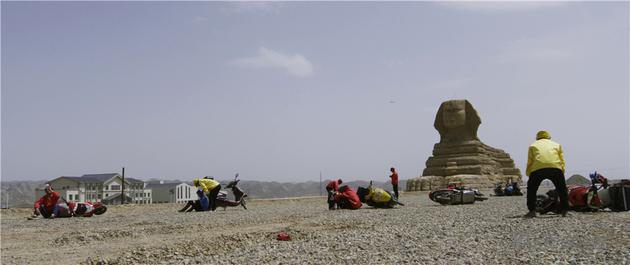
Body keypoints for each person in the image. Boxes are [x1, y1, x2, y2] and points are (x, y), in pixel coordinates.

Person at [524, 130, 568, 218]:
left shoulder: (533, 145)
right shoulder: (556, 145)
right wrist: (561, 171)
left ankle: (532, 211)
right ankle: (564, 211)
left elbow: (530, 161)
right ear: (549, 137)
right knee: (562, 189)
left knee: (532, 190)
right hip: (555, 168)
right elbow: (562, 159)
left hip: (538, 169)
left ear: (537, 138)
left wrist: (529, 173)